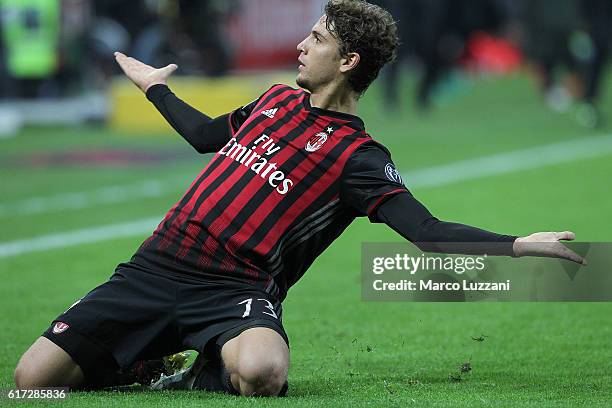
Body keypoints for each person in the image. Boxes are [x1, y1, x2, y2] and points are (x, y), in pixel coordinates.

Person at [14, 0, 585, 397]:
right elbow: (206, 137)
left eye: (316, 39)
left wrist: (518, 245)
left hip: (235, 289)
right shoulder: (273, 99)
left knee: (262, 373)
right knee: (31, 381)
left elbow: (427, 231)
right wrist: (155, 87)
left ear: (348, 61)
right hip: (157, 264)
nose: (300, 45)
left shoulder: (360, 158)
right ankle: (144, 362)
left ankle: (211, 366)